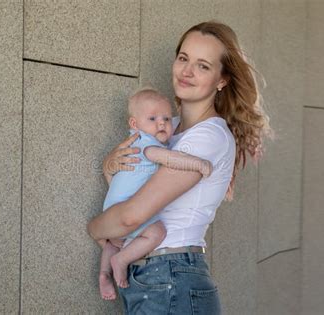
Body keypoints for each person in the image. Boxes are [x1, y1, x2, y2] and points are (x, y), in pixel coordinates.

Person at [88, 21, 271, 314]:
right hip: (155, 277)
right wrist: (110, 164)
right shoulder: (166, 128)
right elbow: (127, 179)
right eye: (184, 58)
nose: (187, 71)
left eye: (203, 66)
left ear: (221, 80)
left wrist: (94, 227)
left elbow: (130, 217)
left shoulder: (208, 137)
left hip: (171, 276)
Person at [98, 87, 213, 301]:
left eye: (166, 119)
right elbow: (170, 159)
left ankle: (104, 273)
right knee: (156, 232)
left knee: (113, 242)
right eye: (152, 118)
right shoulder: (147, 144)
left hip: (114, 205)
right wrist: (198, 163)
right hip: (128, 207)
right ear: (135, 125)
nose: (161, 123)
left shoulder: (133, 144)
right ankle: (120, 261)